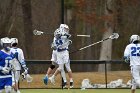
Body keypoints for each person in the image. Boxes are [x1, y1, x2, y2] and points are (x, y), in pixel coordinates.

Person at [44, 24, 74, 88]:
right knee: (59, 67)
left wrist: (67, 36)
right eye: (65, 29)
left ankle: (69, 81)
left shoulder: (64, 35)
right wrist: (67, 39)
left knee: (65, 67)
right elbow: (55, 46)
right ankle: (64, 81)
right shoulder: (56, 37)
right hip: (58, 53)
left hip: (64, 52)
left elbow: (68, 40)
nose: (67, 31)